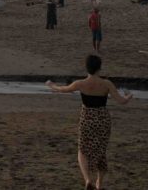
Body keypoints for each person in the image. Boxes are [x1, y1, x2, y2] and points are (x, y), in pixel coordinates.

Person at [46, 55, 133, 190]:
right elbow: (122, 101)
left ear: (87, 67)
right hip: (102, 119)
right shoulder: (107, 83)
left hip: (87, 118)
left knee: (82, 150)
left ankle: (88, 180)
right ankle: (99, 183)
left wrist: (52, 85)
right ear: (99, 68)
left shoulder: (80, 83)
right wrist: (129, 96)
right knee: (101, 150)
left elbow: (63, 89)